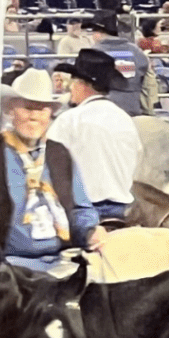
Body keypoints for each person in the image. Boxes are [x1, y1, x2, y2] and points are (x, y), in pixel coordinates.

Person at [0, 69, 105, 271]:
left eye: (41, 110)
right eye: (28, 108)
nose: (34, 116)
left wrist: (90, 231)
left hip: (62, 261)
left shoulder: (60, 153)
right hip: (6, 266)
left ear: (50, 114)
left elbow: (80, 208)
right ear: (11, 110)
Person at [50, 49, 143, 221]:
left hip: (82, 210)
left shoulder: (69, 120)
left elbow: (51, 164)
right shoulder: (125, 119)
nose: (71, 88)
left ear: (81, 84)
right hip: (122, 208)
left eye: (73, 83)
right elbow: (137, 160)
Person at [84, 9, 157, 116]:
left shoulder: (92, 53)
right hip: (132, 110)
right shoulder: (137, 51)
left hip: (102, 112)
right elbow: (148, 83)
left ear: (98, 33)